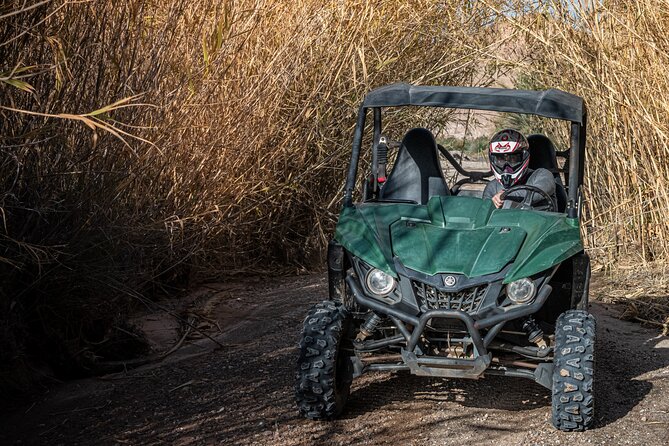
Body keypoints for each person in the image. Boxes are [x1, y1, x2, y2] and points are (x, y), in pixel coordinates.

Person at [482, 129, 556, 209]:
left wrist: (505, 195)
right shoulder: (493, 187)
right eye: (501, 159)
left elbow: (538, 192)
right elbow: (484, 214)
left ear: (524, 157)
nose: (506, 167)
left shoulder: (542, 175)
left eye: (512, 159)